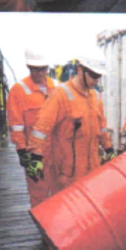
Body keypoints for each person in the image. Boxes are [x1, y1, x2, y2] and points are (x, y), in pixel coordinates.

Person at [28, 57, 113, 199]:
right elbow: (41, 127)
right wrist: (36, 156)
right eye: (93, 75)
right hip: (67, 174)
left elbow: (102, 127)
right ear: (80, 70)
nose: (97, 80)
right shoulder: (60, 94)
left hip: (92, 170)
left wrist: (108, 148)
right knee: (65, 209)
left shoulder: (96, 97)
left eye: (99, 76)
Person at [7, 49, 60, 209]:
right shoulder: (18, 91)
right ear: (28, 67)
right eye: (36, 69)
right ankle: (41, 223)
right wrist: (22, 152)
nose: (40, 73)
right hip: (36, 155)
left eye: (43, 69)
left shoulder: (57, 88)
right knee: (39, 195)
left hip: (59, 152)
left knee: (61, 194)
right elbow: (16, 125)